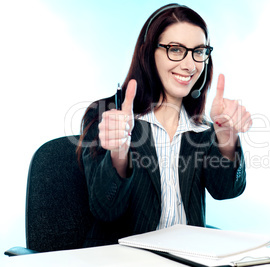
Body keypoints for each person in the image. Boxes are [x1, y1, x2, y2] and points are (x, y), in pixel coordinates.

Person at [77, 3, 252, 247]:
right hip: (122, 260)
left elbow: (226, 191)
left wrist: (227, 138)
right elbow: (106, 210)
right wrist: (119, 153)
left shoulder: (201, 129)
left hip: (188, 257)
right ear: (149, 53)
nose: (190, 65)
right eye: (176, 49)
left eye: (199, 51)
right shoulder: (109, 117)